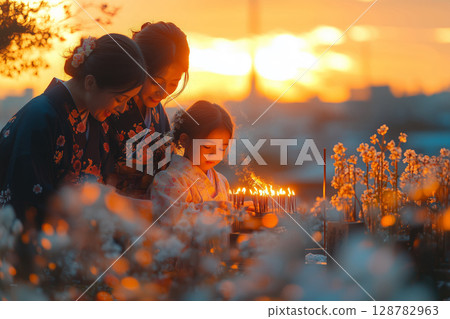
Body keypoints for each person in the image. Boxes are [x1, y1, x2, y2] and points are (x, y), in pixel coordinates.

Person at [0, 33, 146, 229]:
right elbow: (29, 203)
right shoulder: (40, 118)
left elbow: (101, 192)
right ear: (90, 83)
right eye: (120, 99)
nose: (122, 109)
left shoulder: (97, 120)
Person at [107, 22, 190, 198]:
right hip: (111, 211)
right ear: (137, 66)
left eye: (173, 83)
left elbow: (168, 171)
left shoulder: (159, 114)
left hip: (153, 210)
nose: (164, 92)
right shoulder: (109, 108)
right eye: (156, 82)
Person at [150, 101, 234, 218]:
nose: (214, 154)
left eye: (222, 148)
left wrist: (238, 212)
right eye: (207, 146)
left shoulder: (222, 181)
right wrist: (208, 209)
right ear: (184, 140)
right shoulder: (169, 179)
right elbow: (170, 219)